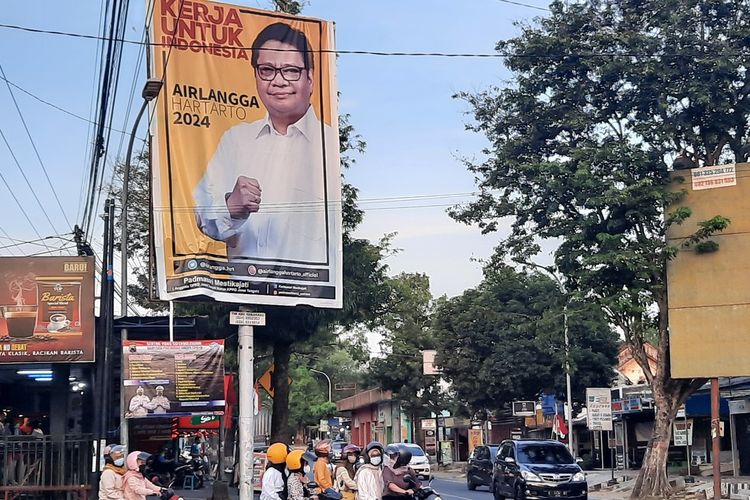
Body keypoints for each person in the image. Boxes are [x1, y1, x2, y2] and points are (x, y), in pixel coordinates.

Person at [193, 22, 339, 264]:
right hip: (242, 295)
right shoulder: (235, 139)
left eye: (291, 70)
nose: (278, 81)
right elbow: (200, 214)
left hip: (307, 296)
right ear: (256, 75)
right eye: (267, 70)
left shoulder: (328, 146)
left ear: (310, 79)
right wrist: (230, 207)